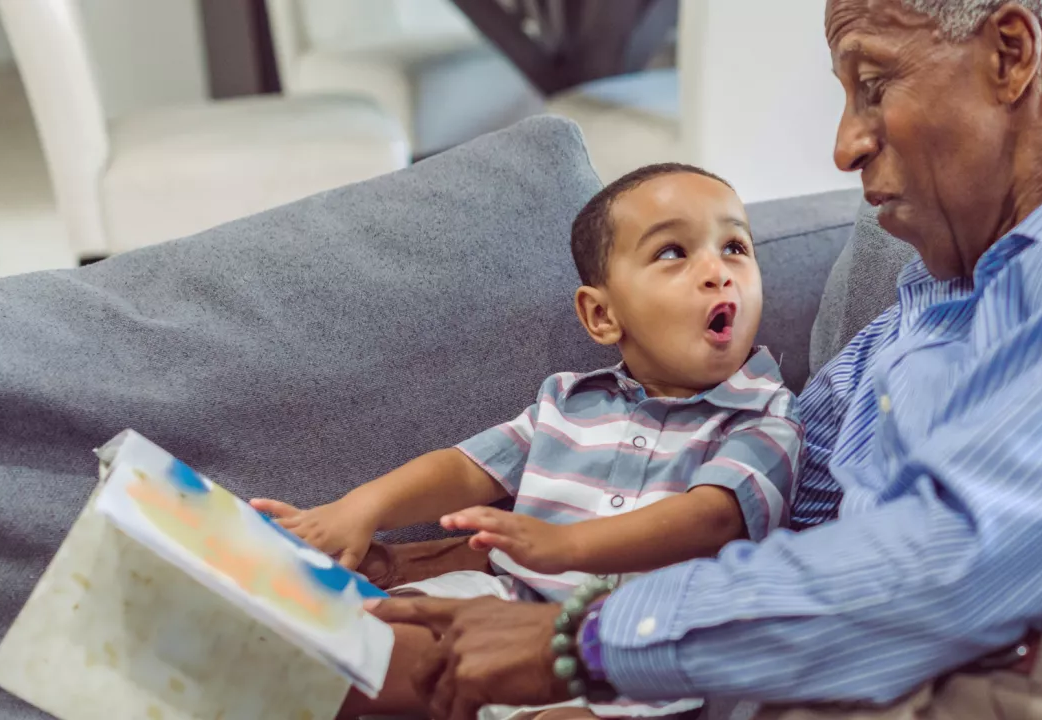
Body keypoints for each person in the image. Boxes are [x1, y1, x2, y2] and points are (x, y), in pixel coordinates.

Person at [363, 1, 1042, 719]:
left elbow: (945, 568)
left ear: (1010, 55)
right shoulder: (907, 327)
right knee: (359, 660)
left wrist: (582, 644)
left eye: (873, 83)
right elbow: (739, 507)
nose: (845, 144)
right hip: (819, 690)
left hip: (1021, 695)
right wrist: (447, 576)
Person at [251, 163, 803, 719]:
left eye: (735, 246)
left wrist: (567, 546)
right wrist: (362, 509)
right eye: (671, 253)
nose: (717, 271)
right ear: (602, 315)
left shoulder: (764, 416)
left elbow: (712, 517)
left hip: (651, 656)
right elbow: (466, 469)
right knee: (354, 643)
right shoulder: (567, 402)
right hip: (508, 607)